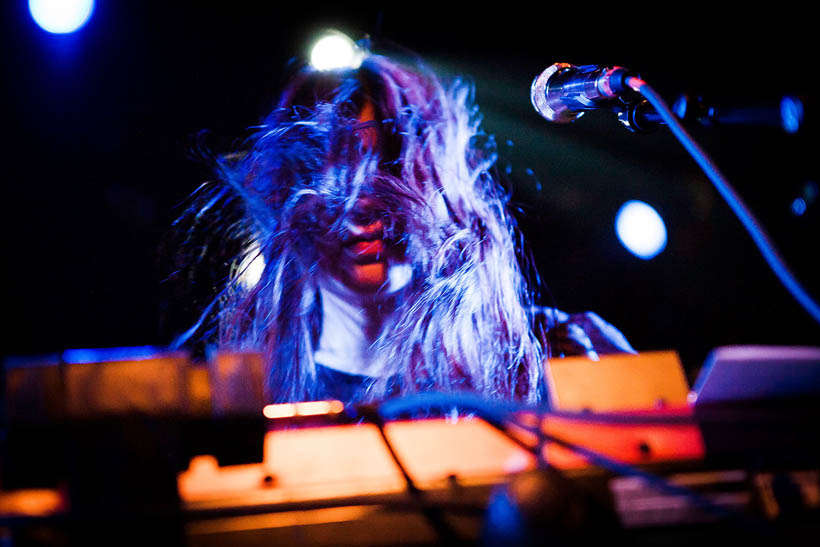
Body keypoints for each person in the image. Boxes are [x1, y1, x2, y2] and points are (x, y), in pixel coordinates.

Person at [173, 49, 634, 406]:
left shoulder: (558, 350)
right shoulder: (240, 395)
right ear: (285, 193)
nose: (362, 206)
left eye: (390, 165)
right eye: (329, 173)